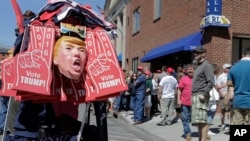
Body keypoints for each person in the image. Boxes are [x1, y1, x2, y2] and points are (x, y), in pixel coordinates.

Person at [191, 46, 214, 141]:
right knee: (199, 121)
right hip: (195, 95)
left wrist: (204, 93)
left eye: (198, 52)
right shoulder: (198, 65)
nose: (195, 54)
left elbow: (211, 82)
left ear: (203, 53)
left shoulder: (206, 65)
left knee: (202, 121)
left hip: (201, 95)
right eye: (195, 52)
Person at [227, 47, 250, 125]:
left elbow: (230, 85)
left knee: (238, 128)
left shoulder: (233, 67)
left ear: (243, 55)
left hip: (238, 101)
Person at [177, 64, 194, 141]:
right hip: (184, 102)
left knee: (191, 118)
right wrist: (178, 100)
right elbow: (179, 90)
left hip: (194, 102)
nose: (190, 71)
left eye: (191, 69)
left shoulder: (197, 79)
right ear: (186, 71)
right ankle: (187, 133)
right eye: (189, 69)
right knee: (185, 118)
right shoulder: (183, 79)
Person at [216, 63, 231, 130]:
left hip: (230, 95)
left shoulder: (231, 75)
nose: (229, 69)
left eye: (230, 68)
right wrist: (222, 95)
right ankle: (222, 124)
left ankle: (231, 123)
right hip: (223, 95)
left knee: (231, 110)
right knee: (223, 111)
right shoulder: (221, 76)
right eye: (228, 68)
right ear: (224, 69)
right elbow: (218, 87)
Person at [207, 64, 220, 137]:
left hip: (207, 96)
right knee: (211, 113)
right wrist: (224, 85)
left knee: (207, 112)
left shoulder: (206, 75)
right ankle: (207, 129)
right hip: (212, 97)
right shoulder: (213, 77)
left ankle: (205, 129)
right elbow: (216, 87)